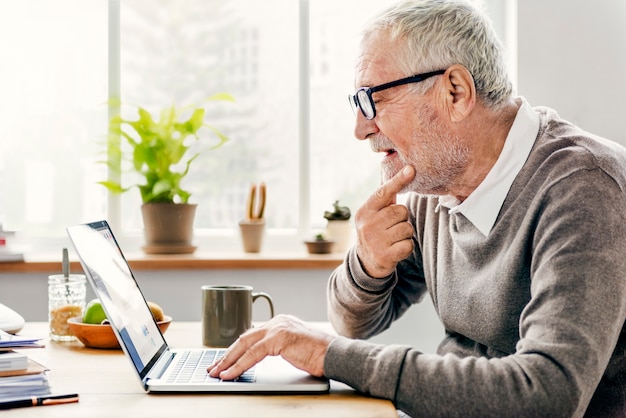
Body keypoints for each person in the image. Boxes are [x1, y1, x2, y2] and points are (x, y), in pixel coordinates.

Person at [208, 0, 626, 416]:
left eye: (373, 99)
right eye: (356, 102)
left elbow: (547, 396)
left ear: (455, 92)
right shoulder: (435, 186)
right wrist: (368, 263)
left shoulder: (585, 188)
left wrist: (332, 356)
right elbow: (353, 323)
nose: (360, 127)